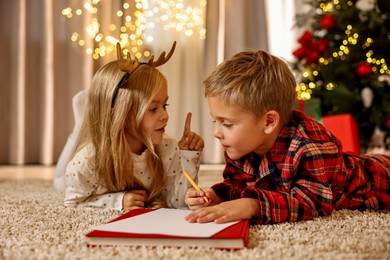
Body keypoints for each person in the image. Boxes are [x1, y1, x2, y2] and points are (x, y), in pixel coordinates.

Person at [184, 49, 390, 225]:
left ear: (269, 122)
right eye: (215, 121)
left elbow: (311, 204)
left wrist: (253, 206)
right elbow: (237, 186)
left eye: (227, 124)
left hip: (380, 179)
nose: (216, 132)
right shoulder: (238, 144)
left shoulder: (310, 146)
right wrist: (216, 196)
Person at [64, 42, 204, 211]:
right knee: (59, 181)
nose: (165, 116)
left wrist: (188, 158)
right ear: (121, 115)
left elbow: (178, 202)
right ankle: (79, 127)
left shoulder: (167, 147)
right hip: (80, 168)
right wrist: (117, 201)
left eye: (165, 105)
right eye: (153, 109)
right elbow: (72, 205)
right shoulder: (86, 161)